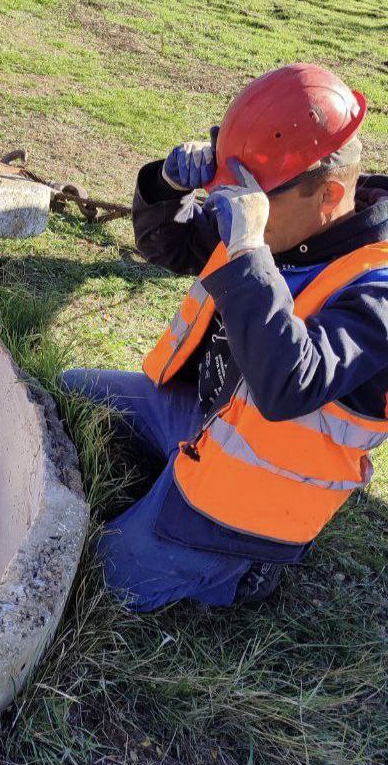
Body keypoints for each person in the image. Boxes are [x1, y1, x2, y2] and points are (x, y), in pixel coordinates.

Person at [61, 63, 388, 611]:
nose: (229, 204)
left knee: (98, 582)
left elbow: (290, 384)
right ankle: (173, 479)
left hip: (253, 496)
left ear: (329, 195)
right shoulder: (282, 216)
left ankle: (246, 570)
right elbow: (170, 247)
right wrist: (164, 189)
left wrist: (248, 252)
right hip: (206, 417)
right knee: (72, 391)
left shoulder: (377, 288)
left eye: (248, 193)